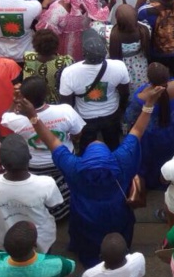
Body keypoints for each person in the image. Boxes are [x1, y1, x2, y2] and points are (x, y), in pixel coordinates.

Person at [15, 81, 165, 266]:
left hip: (85, 213)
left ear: (84, 157)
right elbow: (137, 131)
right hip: (117, 211)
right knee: (118, 234)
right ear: (109, 155)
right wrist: (149, 104)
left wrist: (33, 117)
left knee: (86, 236)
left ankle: (90, 258)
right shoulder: (122, 161)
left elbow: (52, 141)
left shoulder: (75, 168)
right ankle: (117, 253)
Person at [1, 76, 84, 221]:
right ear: (46, 93)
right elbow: (78, 134)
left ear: (24, 97)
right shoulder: (65, 111)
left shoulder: (16, 120)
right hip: (63, 161)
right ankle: (64, 210)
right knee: (67, 190)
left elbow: (5, 117)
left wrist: (15, 102)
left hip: (35, 166)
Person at [0, 134, 62, 253]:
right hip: (40, 239)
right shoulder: (46, 183)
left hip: (5, 240)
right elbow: (54, 204)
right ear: (30, 157)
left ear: (0, 162)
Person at [59, 28, 131, 149]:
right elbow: (125, 93)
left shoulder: (69, 72)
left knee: (86, 151)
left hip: (84, 118)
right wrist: (120, 111)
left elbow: (66, 105)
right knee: (113, 147)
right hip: (111, 114)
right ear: (105, 50)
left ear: (83, 52)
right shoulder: (119, 66)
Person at [125, 62, 174, 189]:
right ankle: (164, 179)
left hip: (148, 137)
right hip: (170, 131)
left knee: (147, 161)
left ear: (149, 79)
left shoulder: (141, 96)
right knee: (167, 157)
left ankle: (149, 184)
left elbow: (129, 117)